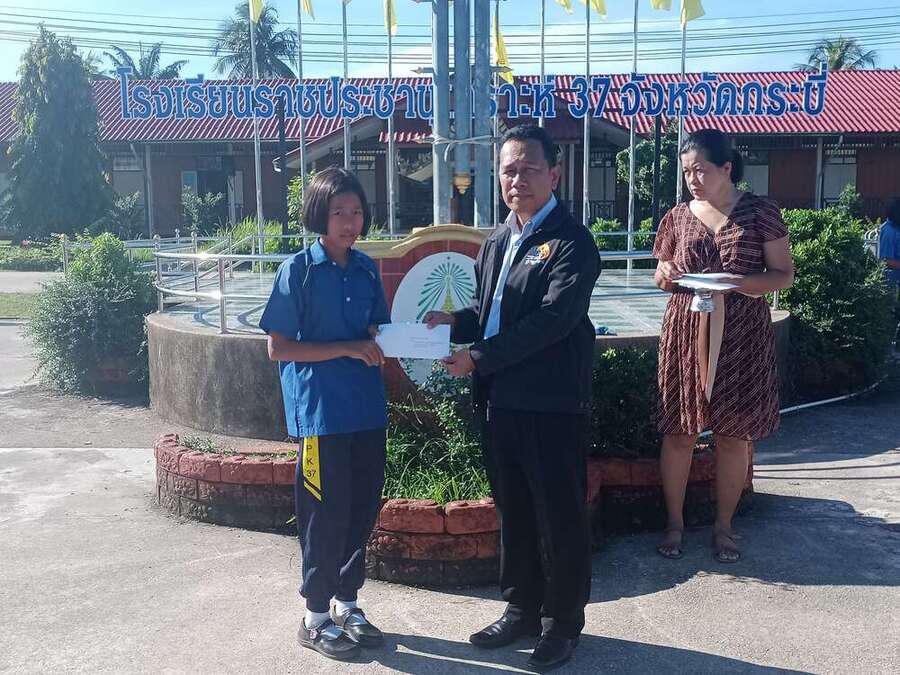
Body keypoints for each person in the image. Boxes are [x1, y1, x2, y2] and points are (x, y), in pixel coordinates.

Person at [425, 125, 601, 672]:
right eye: (508, 169)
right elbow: (494, 316)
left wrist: (478, 357)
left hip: (551, 402)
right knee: (515, 510)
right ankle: (521, 607)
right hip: (500, 400)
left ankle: (562, 623)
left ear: (554, 175)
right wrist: (453, 322)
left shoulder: (572, 243)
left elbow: (553, 321)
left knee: (559, 514)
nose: (517, 179)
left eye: (528, 169)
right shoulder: (498, 241)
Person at [259, 167, 389, 661]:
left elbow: (376, 332)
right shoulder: (298, 271)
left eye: (356, 212)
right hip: (320, 414)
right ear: (320, 214)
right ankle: (314, 615)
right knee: (323, 514)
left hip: (366, 409)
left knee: (361, 509)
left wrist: (404, 337)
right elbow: (279, 348)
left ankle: (347, 603)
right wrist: (348, 347)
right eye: (339, 212)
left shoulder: (367, 269)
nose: (350, 222)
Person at [653, 129, 794, 564]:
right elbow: (661, 274)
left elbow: (783, 274)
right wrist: (667, 273)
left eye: (701, 170)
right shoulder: (678, 216)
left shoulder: (759, 212)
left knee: (734, 435)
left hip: (742, 330)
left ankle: (724, 527)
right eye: (686, 172)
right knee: (679, 430)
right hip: (686, 327)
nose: (692, 180)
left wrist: (741, 282)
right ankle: (674, 524)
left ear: (726, 168)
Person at [878, 197, 900, 347]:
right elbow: (886, 260)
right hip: (892, 280)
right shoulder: (889, 231)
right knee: (891, 314)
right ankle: (887, 348)